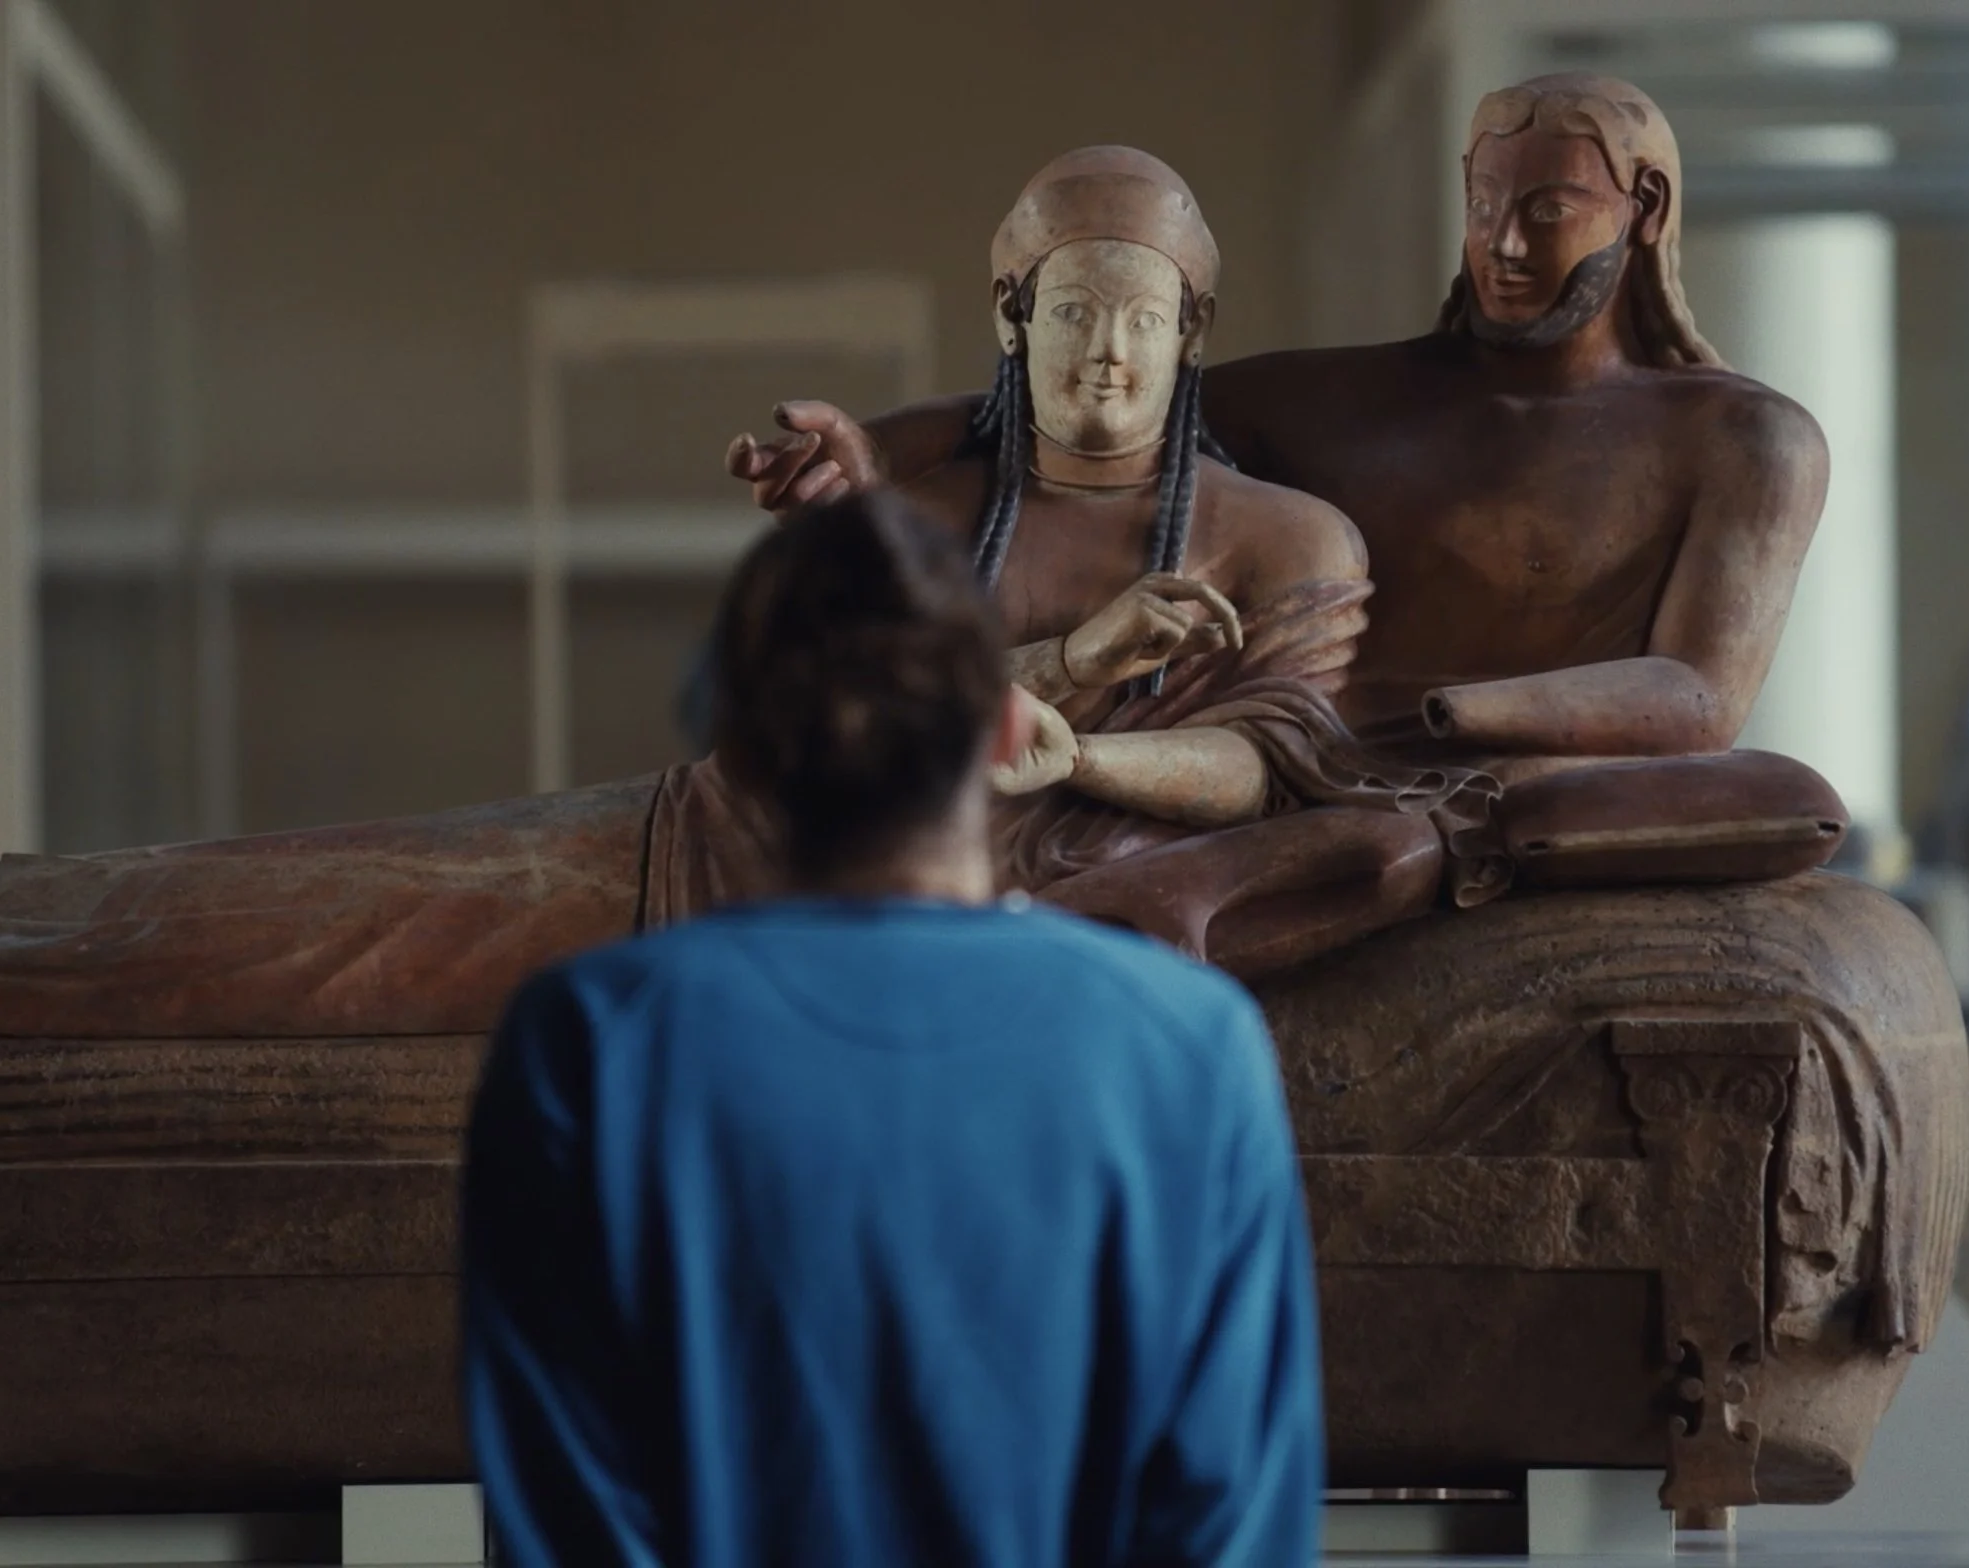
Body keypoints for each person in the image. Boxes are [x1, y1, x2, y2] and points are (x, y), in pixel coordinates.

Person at [460, 492, 1323, 1567]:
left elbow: (569, 1527)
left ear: (741, 742)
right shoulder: (1189, 1050)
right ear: (1012, 725)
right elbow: (1231, 1529)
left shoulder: (588, 1046)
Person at [728, 76, 1828, 793]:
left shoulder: (1744, 440)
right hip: (1305, 771)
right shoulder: (1350, 401)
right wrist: (873, 451)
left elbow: (1697, 695)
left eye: (1545, 213)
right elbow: (1095, 406)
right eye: (1483, 203)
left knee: (1785, 794)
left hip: (1471, 780)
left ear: (1640, 207)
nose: (1500, 243)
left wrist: (1451, 721)